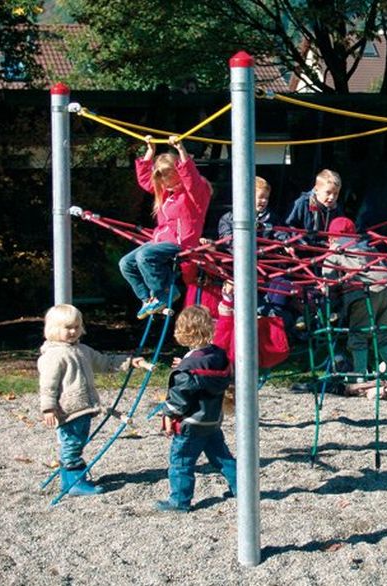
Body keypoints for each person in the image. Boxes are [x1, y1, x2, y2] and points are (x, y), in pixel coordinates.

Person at [38, 304, 138, 497]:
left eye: (76, 326)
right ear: (54, 329)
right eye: (68, 327)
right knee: (72, 444)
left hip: (84, 407)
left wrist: (128, 361)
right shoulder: (54, 355)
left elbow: (104, 362)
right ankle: (75, 482)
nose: (73, 331)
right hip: (68, 409)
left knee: (76, 442)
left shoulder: (82, 350)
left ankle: (69, 481)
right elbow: (48, 385)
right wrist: (48, 408)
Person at [119, 135, 213, 320]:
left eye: (169, 177)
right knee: (126, 263)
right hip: (161, 240)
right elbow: (146, 180)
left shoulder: (195, 193)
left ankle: (166, 292)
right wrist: (150, 152)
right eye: (163, 179)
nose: (165, 183)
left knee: (144, 256)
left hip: (182, 241)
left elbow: (191, 179)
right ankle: (147, 300)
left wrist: (181, 151)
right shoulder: (166, 192)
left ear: (178, 172)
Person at [156, 305, 236, 513]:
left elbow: (180, 398)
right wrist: (184, 364)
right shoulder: (218, 356)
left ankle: (180, 501)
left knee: (181, 462)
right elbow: (204, 375)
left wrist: (168, 413)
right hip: (212, 419)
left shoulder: (188, 367)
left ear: (181, 332)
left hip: (191, 423)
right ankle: (242, 488)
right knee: (222, 457)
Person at [321, 216, 387, 391]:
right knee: (380, 332)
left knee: (358, 334)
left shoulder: (334, 251)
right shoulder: (367, 246)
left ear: (330, 237)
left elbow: (327, 280)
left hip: (365, 293)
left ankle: (359, 377)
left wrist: (326, 290)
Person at [217, 176, 278, 248]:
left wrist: (284, 242)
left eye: (266, 198)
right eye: (261, 197)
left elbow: (279, 232)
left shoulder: (270, 217)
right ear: (247, 197)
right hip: (235, 257)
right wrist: (248, 249)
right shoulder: (228, 219)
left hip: (263, 255)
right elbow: (227, 240)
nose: (264, 201)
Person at [285, 169, 344, 236]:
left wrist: (337, 243)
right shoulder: (303, 203)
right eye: (328, 193)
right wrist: (296, 242)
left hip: (325, 246)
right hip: (302, 244)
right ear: (316, 190)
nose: (332, 197)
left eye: (336, 194)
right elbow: (288, 227)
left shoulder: (337, 210)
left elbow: (341, 232)